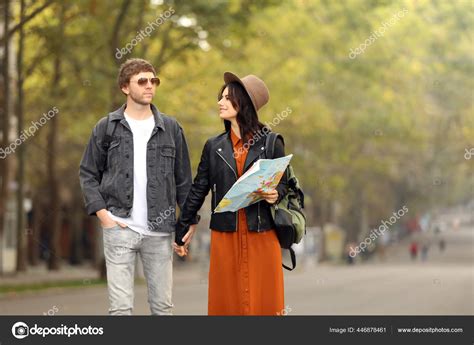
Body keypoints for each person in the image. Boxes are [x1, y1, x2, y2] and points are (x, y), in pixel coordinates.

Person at [79, 58, 198, 315]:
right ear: (125, 87)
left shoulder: (171, 128)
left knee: (162, 308)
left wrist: (189, 220)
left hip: (160, 231)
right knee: (120, 309)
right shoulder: (106, 127)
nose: (149, 86)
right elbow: (88, 173)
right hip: (119, 227)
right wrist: (104, 216)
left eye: (153, 81)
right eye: (142, 81)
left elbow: (184, 181)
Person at [174, 72, 289, 315]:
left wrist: (274, 193)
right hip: (225, 235)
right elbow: (198, 189)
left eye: (228, 98)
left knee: (264, 302)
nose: (220, 102)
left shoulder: (271, 142)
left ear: (244, 104)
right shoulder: (213, 146)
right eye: (221, 97)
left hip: (262, 234)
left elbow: (284, 184)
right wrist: (182, 226)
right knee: (226, 302)